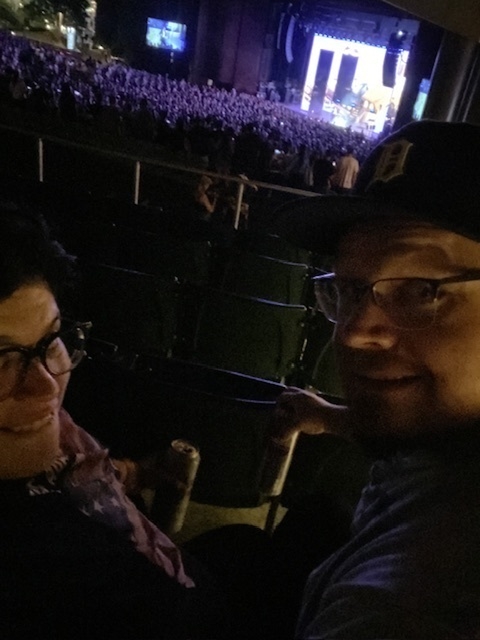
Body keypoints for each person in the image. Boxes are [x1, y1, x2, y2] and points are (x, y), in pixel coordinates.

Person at [0, 204, 278, 640]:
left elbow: (73, 469)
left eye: (50, 340)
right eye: (0, 360)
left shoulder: (40, 429)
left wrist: (136, 472)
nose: (47, 385)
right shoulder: (46, 576)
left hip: (175, 570)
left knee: (249, 544)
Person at [274, 120, 480, 639]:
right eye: (349, 289)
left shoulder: (412, 604)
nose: (353, 332)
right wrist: (331, 418)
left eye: (422, 290)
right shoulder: (448, 432)